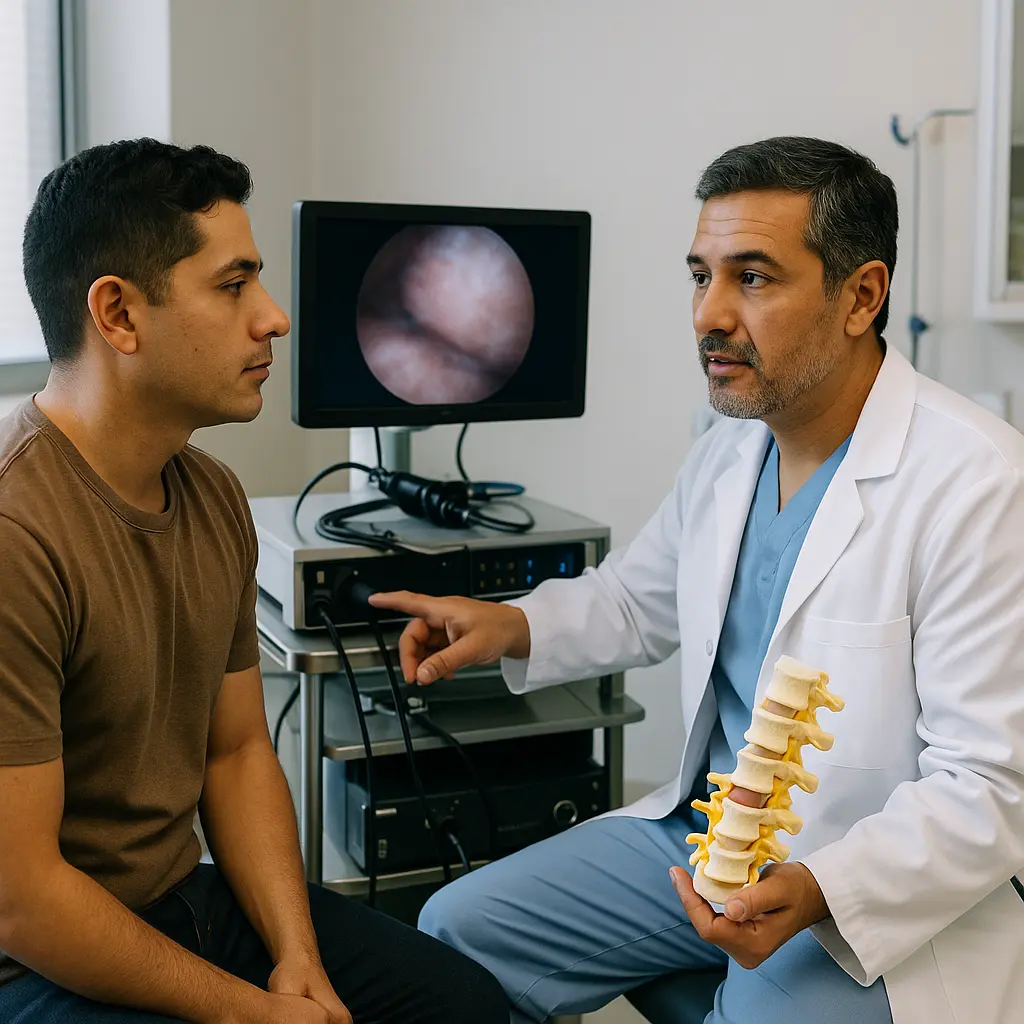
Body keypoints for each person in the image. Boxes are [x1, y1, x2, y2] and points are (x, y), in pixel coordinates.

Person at [369, 137, 1024, 1024]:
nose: (708, 314)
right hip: (707, 841)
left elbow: (990, 787)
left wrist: (819, 884)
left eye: (752, 278)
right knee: (459, 928)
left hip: (863, 880)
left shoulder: (979, 481)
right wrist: (510, 625)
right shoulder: (731, 451)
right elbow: (639, 600)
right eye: (700, 275)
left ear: (861, 296)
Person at [0, 139, 508, 1024]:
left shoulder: (214, 496)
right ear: (118, 315)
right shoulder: (17, 535)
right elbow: (22, 896)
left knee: (461, 1002)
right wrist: (246, 1011)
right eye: (233, 286)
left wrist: (296, 959)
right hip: (36, 963)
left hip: (180, 902)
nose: (273, 318)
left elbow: (234, 753)